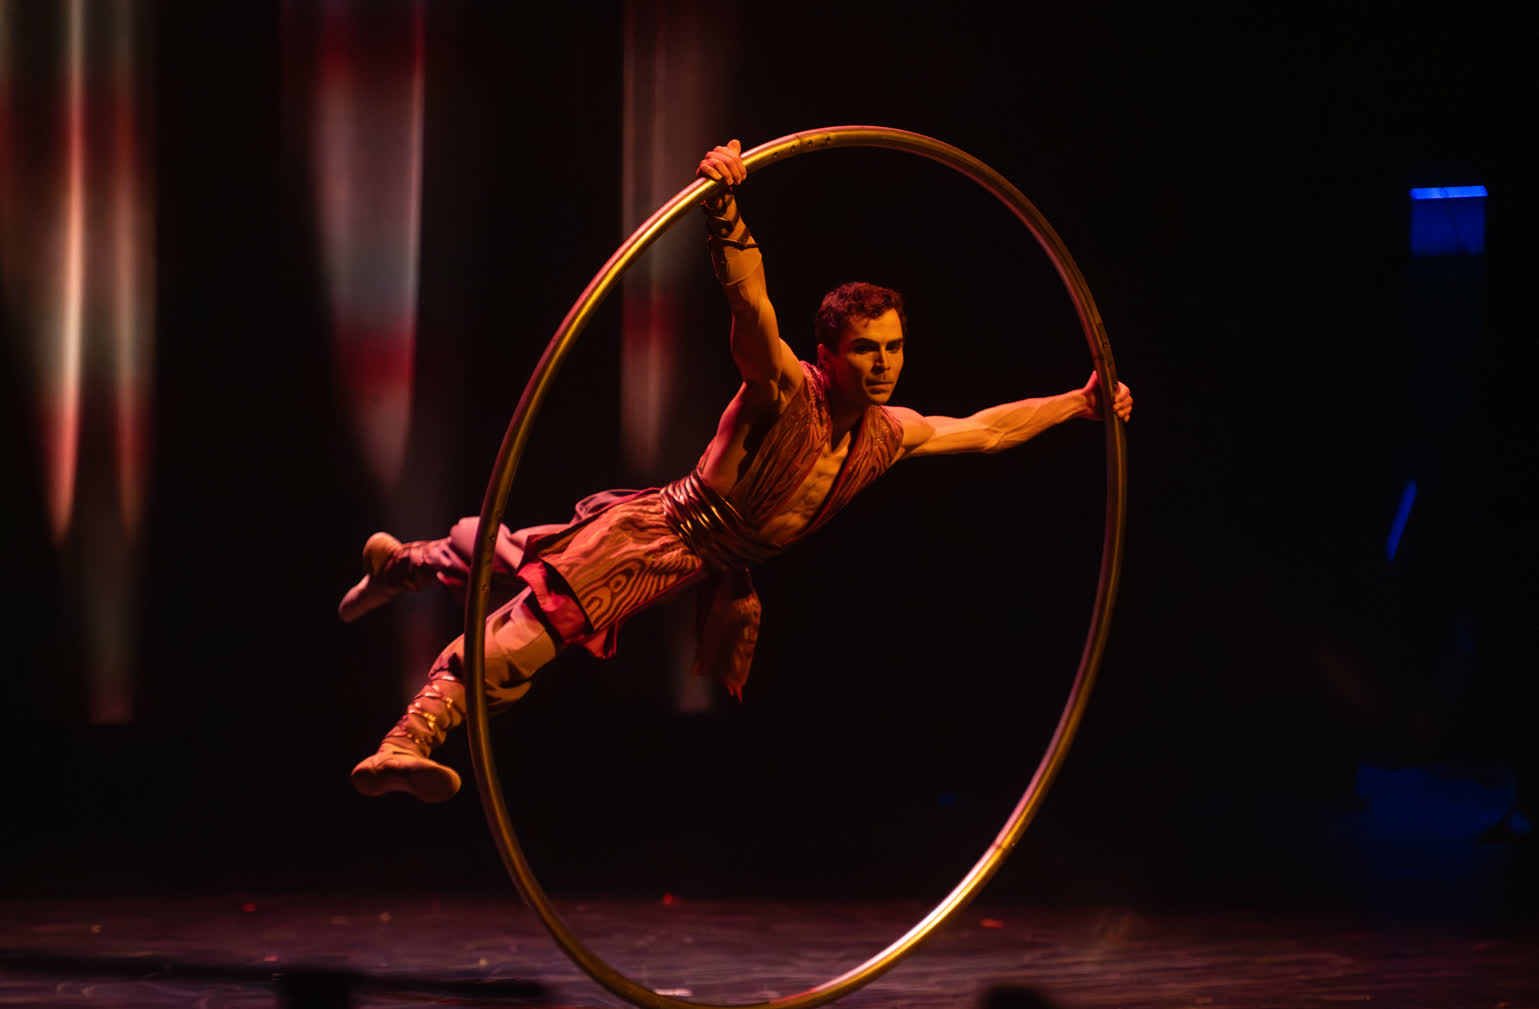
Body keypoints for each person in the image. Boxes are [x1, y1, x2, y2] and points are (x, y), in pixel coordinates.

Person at [342, 139, 1133, 803]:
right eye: (865, 349)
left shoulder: (890, 434)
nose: (883, 364)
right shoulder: (783, 389)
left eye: (893, 348)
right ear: (826, 353)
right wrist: (723, 210)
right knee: (530, 635)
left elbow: (988, 429)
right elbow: (751, 311)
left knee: (522, 552)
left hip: (709, 562)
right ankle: (404, 743)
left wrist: (1079, 403)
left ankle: (399, 564)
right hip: (658, 535)